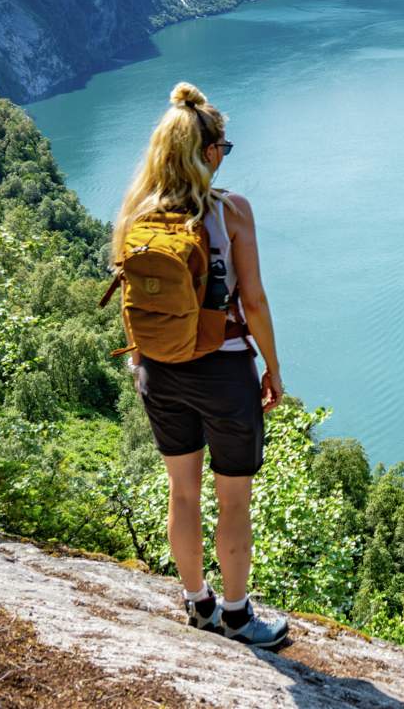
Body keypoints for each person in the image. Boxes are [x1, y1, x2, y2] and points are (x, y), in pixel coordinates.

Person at [113, 82, 290, 648]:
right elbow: (254, 301)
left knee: (182, 492)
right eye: (225, 148)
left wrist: (143, 361)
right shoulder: (230, 212)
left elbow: (130, 302)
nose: (225, 157)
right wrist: (273, 370)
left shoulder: (135, 215)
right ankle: (237, 617)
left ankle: (197, 604)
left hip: (159, 371)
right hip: (224, 368)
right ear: (209, 152)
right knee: (232, 499)